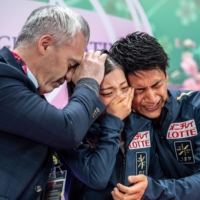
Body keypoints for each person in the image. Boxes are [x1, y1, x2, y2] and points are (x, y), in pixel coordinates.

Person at [0, 5, 108, 200]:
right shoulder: (3, 77)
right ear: (45, 44)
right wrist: (89, 82)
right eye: (71, 64)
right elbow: (68, 131)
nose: (68, 77)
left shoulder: (24, 87)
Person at [60, 50, 164, 200]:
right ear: (86, 95)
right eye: (108, 93)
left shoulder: (143, 123)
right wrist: (113, 121)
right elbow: (97, 178)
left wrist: (147, 191)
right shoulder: (70, 129)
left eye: (124, 88)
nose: (120, 99)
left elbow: (157, 176)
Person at [109, 31, 200, 200]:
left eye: (156, 84)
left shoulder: (196, 108)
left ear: (166, 76)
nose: (152, 98)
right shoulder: (119, 122)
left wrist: (155, 190)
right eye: (140, 90)